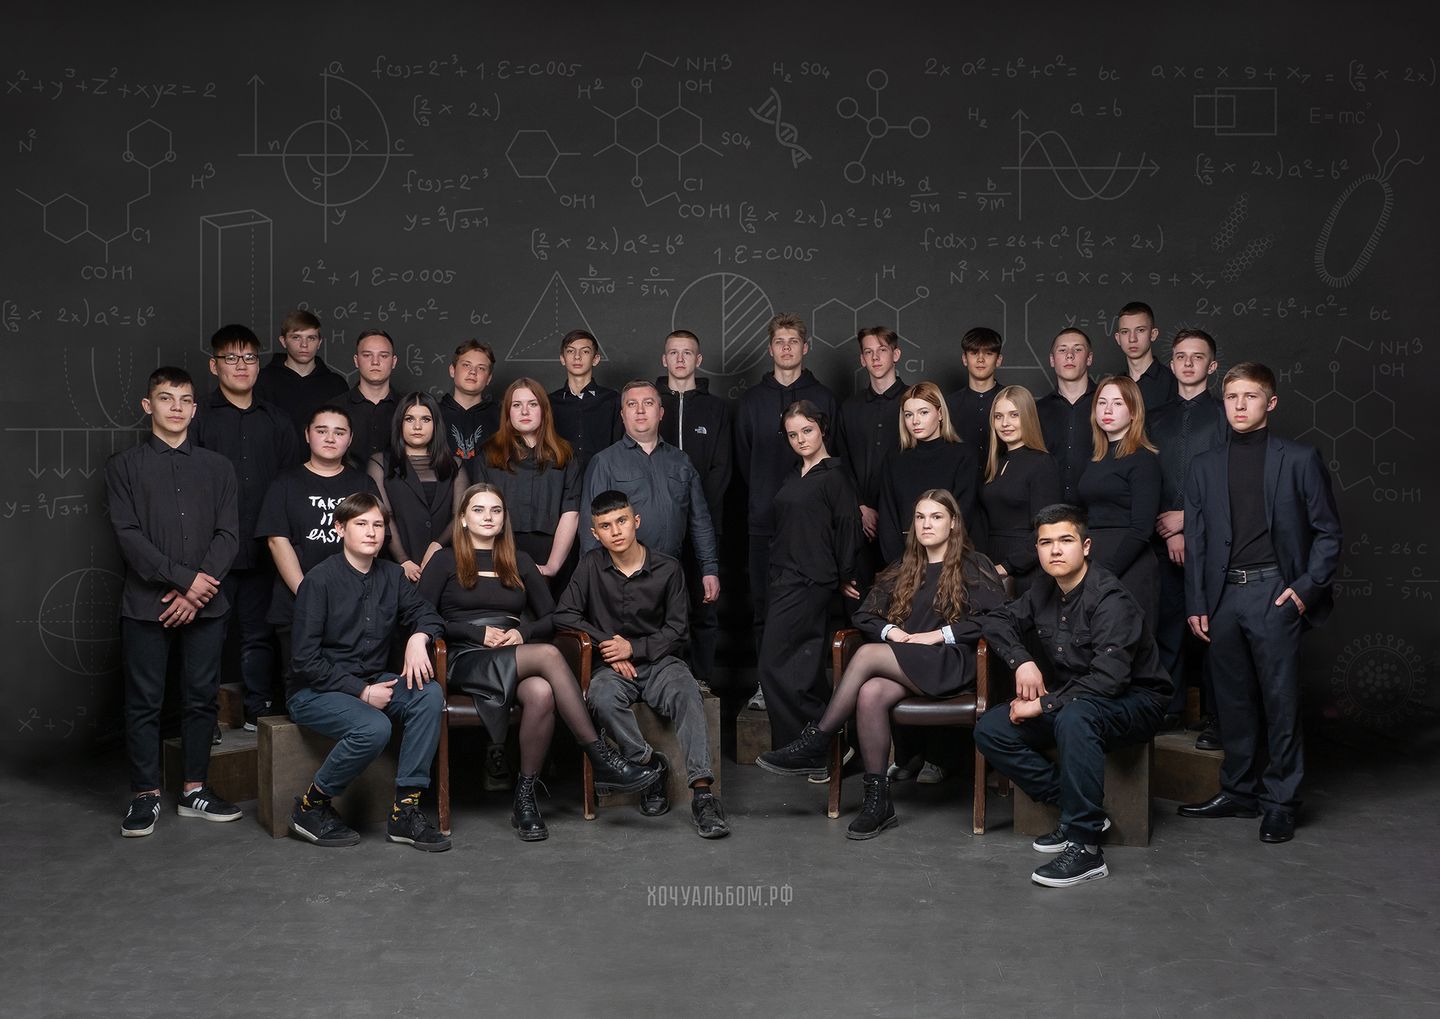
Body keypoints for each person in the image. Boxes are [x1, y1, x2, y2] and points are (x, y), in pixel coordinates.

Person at [418, 484, 661, 841]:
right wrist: (474, 633)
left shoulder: (520, 560)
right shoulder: (444, 560)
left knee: (542, 692)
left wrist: (523, 632)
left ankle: (525, 799)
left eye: (496, 510)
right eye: (479, 510)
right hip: (464, 656)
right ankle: (602, 758)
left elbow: (554, 617)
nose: (488, 517)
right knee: (548, 654)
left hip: (512, 652)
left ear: (504, 518)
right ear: (464, 519)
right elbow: (421, 615)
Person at [757, 491, 1006, 838]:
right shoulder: (904, 567)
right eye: (920, 517)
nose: (927, 524)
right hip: (907, 663)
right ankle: (878, 802)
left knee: (867, 654)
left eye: (936, 517)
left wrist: (937, 636)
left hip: (951, 663)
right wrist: (893, 632)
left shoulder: (974, 564)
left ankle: (819, 741)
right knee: (870, 692)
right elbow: (865, 614)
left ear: (953, 523)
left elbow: (998, 619)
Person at [1178, 362, 1342, 844]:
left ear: (1270, 403)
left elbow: (1328, 532)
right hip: (1222, 596)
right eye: (1232, 397)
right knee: (1231, 701)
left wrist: (1305, 589)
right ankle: (1239, 792)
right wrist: (1197, 601)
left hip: (1275, 593)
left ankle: (1281, 802)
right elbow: (1196, 539)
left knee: (1280, 701)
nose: (1240, 405)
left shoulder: (1299, 459)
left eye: (1250, 397)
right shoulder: (1204, 465)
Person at [974, 504, 1172, 887]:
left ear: (1086, 546)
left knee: (1075, 714)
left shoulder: (1111, 599)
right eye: (1045, 542)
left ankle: (1086, 848)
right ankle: (1073, 807)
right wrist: (1022, 662)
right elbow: (996, 620)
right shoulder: (1043, 590)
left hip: (1136, 701)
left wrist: (1041, 705)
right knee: (991, 728)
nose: (1055, 550)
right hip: (1077, 698)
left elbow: (1109, 680)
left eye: (1065, 540)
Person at [107, 366, 241, 836]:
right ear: (149, 406)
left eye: (185, 399)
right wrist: (186, 582)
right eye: (166, 398)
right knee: (144, 701)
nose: (176, 407)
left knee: (201, 699)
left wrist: (197, 591)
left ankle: (194, 790)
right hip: (147, 605)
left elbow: (228, 534)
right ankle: (145, 795)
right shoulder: (124, 466)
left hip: (208, 605)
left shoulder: (218, 467)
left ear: (195, 408)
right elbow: (128, 535)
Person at [555, 491, 731, 839]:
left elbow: (678, 629)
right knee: (600, 696)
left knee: (686, 691)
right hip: (613, 668)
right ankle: (650, 767)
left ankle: (702, 795)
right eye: (606, 526)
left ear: (636, 521)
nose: (616, 531)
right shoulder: (590, 565)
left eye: (622, 521)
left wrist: (633, 648)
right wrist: (613, 646)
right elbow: (564, 614)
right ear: (595, 533)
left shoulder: (668, 567)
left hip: (662, 663)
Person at [285, 493, 449, 851]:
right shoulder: (319, 580)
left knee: (429, 694)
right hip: (314, 691)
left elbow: (428, 614)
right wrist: (361, 691)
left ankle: (405, 812)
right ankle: (311, 807)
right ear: (340, 528)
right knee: (374, 727)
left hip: (374, 680)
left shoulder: (393, 576)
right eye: (361, 524)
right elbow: (305, 661)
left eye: (378, 525)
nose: (372, 532)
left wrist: (418, 638)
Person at [195, 324, 301, 728]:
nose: (241, 365)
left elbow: (291, 484)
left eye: (250, 357)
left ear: (259, 364)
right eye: (231, 358)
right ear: (214, 365)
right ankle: (204, 721)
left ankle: (259, 713)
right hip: (210, 551)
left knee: (258, 635)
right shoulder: (199, 417)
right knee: (209, 636)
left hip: (262, 548)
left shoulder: (277, 421)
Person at [734, 313, 838, 709]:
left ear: (805, 348)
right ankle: (767, 686)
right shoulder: (750, 401)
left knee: (813, 609)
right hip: (764, 523)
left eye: (793, 341)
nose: (787, 348)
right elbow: (744, 462)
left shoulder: (824, 398)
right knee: (765, 608)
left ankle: (809, 689)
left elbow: (834, 458)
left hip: (814, 526)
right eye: (780, 342)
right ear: (770, 349)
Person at [755, 401, 862, 752]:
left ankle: (810, 745)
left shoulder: (835, 476)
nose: (801, 439)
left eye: (807, 430)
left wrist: (844, 574)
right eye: (792, 435)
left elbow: (848, 527)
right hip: (784, 577)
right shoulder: (794, 475)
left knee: (774, 665)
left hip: (811, 581)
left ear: (822, 429)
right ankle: (824, 743)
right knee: (803, 667)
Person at [255, 405, 379, 684]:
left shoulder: (363, 483)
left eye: (339, 432)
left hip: (353, 604)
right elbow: (277, 541)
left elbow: (374, 538)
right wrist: (308, 595)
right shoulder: (285, 483)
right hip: (296, 602)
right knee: (302, 685)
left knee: (352, 684)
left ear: (350, 439)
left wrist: (347, 596)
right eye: (322, 431)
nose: (330, 438)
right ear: (307, 435)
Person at [1149, 329, 1227, 737]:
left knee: (1215, 629)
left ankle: (1217, 714)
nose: (1188, 363)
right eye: (1181, 356)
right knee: (1167, 627)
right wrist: (1169, 530)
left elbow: (1231, 482)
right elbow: (1146, 478)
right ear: (1172, 363)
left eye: (1197, 357)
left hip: (1213, 542)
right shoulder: (1153, 417)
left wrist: (1188, 522)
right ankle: (1170, 707)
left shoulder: (1226, 415)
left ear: (1212, 366)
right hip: (1161, 540)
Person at [580, 381, 719, 584]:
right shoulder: (604, 462)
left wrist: (709, 569)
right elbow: (590, 526)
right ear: (622, 415)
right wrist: (593, 581)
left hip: (672, 574)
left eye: (648, 403)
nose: (640, 410)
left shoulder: (681, 461)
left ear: (661, 413)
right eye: (632, 404)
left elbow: (700, 521)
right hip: (621, 579)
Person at [656, 329, 732, 689]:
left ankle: (701, 677)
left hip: (705, 523)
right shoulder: (650, 404)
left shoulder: (716, 409)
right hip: (659, 523)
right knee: (661, 602)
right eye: (674, 352)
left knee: (704, 603)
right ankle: (665, 676)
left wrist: (696, 512)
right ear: (664, 359)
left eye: (687, 353)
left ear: (698, 360)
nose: (680, 359)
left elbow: (722, 467)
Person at [470, 378, 582, 585]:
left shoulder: (565, 455)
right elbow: (478, 514)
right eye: (516, 405)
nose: (524, 411)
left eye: (532, 404)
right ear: (507, 412)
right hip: (500, 551)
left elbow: (571, 513)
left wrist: (552, 566)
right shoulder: (488, 454)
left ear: (544, 410)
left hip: (554, 553)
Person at [1076, 376, 1162, 629]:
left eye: (1117, 403)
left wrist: (1105, 573)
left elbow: (1142, 528)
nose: (1108, 410)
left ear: (1133, 412)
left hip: (1129, 565)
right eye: (1102, 402)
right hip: (1094, 559)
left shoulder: (1143, 460)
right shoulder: (1095, 459)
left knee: (1126, 641)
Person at [877, 381, 982, 565]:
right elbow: (888, 517)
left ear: (940, 413)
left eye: (923, 412)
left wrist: (941, 561)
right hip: (903, 562)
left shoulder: (964, 456)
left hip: (950, 560)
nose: (915, 421)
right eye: (908, 414)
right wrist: (901, 565)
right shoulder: (894, 459)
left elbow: (962, 514)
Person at [366, 392, 466, 582]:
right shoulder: (380, 462)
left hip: (446, 566)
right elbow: (382, 516)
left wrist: (437, 546)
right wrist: (403, 560)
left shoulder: (455, 464)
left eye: (426, 419)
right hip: (394, 568)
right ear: (399, 423)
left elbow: (461, 515)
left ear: (436, 424)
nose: (417, 426)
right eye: (409, 419)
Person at [835, 326, 906, 589]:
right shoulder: (849, 408)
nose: (875, 358)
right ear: (862, 359)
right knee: (860, 597)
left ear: (896, 354)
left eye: (882, 350)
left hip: (903, 521)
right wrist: (862, 507)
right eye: (868, 352)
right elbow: (841, 462)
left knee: (901, 598)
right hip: (858, 522)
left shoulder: (914, 403)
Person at [980, 386, 1061, 597]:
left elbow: (1045, 529)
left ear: (1027, 417)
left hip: (1026, 568)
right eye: (998, 416)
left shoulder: (1042, 463)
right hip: (992, 560)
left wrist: (1008, 566)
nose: (1005, 423)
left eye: (1014, 415)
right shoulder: (996, 463)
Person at [255, 309, 348, 441]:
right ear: (283, 341)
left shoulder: (336, 384)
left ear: (319, 342)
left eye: (311, 338)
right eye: (296, 337)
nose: (304, 345)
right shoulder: (263, 380)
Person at [1036, 327, 1098, 502]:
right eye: (1062, 350)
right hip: (1049, 509)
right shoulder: (1037, 410)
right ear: (1052, 360)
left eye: (1077, 349)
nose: (1069, 355)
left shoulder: (1107, 405)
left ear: (1089, 358)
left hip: (1098, 510)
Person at [548, 328, 621, 475]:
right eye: (570, 351)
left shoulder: (612, 400)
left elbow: (619, 447)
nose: (577, 357)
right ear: (562, 358)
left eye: (585, 351)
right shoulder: (549, 402)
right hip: (560, 480)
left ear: (596, 359)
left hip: (603, 479)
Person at [945, 326, 1005, 469]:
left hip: (1005, 480)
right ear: (964, 359)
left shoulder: (1011, 401)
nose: (980, 359)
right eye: (974, 353)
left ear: (998, 360)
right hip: (960, 480)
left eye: (988, 353)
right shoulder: (949, 404)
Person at [345, 328, 404, 467]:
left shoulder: (409, 409)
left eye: (383, 356)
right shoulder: (335, 409)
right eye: (367, 355)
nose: (375, 362)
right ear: (356, 360)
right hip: (348, 481)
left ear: (394, 361)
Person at [440, 339, 501, 463]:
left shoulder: (501, 416)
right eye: (466, 365)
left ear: (488, 378)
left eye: (481, 368)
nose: (473, 372)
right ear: (452, 370)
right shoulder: (432, 414)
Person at [1114, 302, 1177, 414]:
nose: (1132, 339)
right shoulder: (1114, 386)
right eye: (1125, 332)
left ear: (1153, 334)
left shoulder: (1172, 382)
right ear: (1118, 338)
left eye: (1140, 330)